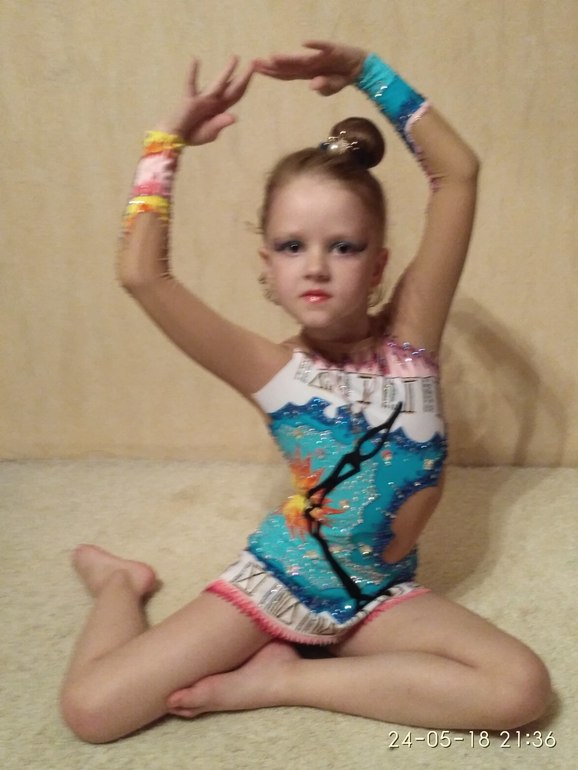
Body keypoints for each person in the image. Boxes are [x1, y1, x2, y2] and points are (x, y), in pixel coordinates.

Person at [60, 41, 551, 744]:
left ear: (378, 264)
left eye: (343, 247)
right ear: (267, 263)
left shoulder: (411, 339)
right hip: (281, 584)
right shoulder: (270, 369)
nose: (316, 266)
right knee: (91, 712)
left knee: (520, 689)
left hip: (378, 592)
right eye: (292, 246)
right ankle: (120, 584)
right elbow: (143, 275)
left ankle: (282, 680)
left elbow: (458, 174)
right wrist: (167, 142)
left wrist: (365, 73)